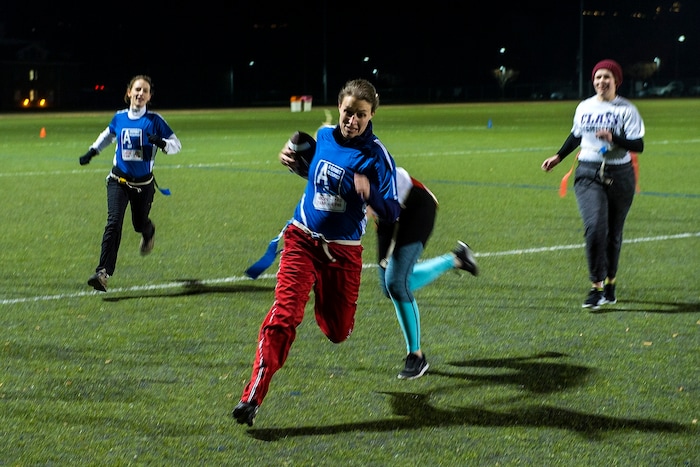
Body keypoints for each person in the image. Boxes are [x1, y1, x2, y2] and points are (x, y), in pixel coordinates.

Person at [232, 79, 401, 427]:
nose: (353, 120)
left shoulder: (376, 156)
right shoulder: (323, 136)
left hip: (343, 255)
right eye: (348, 112)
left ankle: (325, 303)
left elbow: (393, 211)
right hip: (302, 239)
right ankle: (252, 396)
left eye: (362, 115)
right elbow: (319, 177)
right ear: (339, 107)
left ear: (371, 116)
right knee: (284, 314)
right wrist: (292, 162)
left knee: (337, 331)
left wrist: (370, 194)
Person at [541, 59, 644, 311]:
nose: (601, 81)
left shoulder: (627, 110)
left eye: (607, 77)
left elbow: (638, 145)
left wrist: (613, 137)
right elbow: (577, 134)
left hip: (620, 174)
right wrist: (558, 156)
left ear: (616, 81)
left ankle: (610, 284)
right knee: (595, 226)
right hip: (587, 172)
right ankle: (596, 287)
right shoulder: (584, 106)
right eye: (597, 77)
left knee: (613, 233)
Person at [364, 166, 479, 380]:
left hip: (416, 206)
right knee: (389, 286)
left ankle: (416, 356)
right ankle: (456, 259)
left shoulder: (362, 161)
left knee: (397, 283)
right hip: (388, 216)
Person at [78, 75, 182, 292]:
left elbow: (176, 145)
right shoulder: (119, 117)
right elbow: (108, 135)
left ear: (149, 96)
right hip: (118, 181)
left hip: (144, 185)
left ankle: (148, 231)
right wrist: (92, 151)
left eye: (145, 91)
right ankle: (103, 272)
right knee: (113, 222)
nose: (140, 94)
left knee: (138, 223)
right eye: (137, 89)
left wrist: (162, 143)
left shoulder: (155, 120)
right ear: (128, 92)